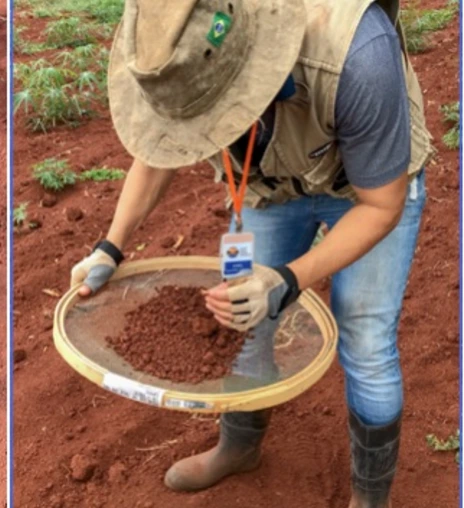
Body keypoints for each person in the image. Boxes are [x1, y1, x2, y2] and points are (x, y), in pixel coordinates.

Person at [70, 1, 434, 506]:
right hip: (273, 180)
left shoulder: (358, 54)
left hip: (368, 183)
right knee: (242, 311)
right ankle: (239, 446)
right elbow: (156, 150)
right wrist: (109, 246)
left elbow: (382, 204)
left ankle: (370, 498)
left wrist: (286, 279)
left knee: (366, 337)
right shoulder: (181, 51)